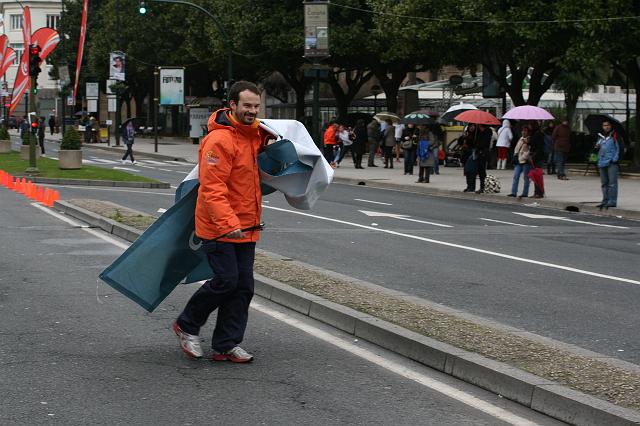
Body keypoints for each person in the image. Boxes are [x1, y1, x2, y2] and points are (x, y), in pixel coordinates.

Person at [173, 81, 267, 363]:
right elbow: (212, 189)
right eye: (247, 105)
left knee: (243, 287)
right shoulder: (218, 141)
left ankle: (226, 344)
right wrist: (229, 224)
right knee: (226, 281)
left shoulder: (256, 135)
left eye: (256, 106)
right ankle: (187, 325)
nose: (252, 111)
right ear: (233, 105)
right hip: (219, 226)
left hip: (247, 226)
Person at [595, 119, 620, 209]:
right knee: (604, 183)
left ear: (611, 126)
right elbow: (597, 148)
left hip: (611, 163)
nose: (606, 127)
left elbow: (619, 149)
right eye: (604, 125)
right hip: (601, 162)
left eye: (608, 125)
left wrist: (614, 159)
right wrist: (597, 147)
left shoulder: (615, 136)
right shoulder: (600, 137)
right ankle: (605, 200)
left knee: (612, 183)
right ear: (602, 127)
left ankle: (612, 201)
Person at [508, 126, 531, 198]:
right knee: (515, 176)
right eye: (522, 131)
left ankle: (525, 193)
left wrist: (523, 157)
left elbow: (528, 152)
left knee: (526, 178)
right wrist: (516, 155)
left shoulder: (529, 140)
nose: (523, 132)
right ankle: (513, 192)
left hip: (525, 161)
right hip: (518, 161)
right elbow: (516, 148)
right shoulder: (520, 139)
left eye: (525, 131)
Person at [528, 121, 546, 198]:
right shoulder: (534, 133)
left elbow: (539, 147)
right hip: (536, 156)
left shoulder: (538, 134)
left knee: (537, 175)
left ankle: (539, 192)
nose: (529, 126)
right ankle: (537, 192)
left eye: (529, 124)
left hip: (537, 157)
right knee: (535, 176)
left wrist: (533, 156)